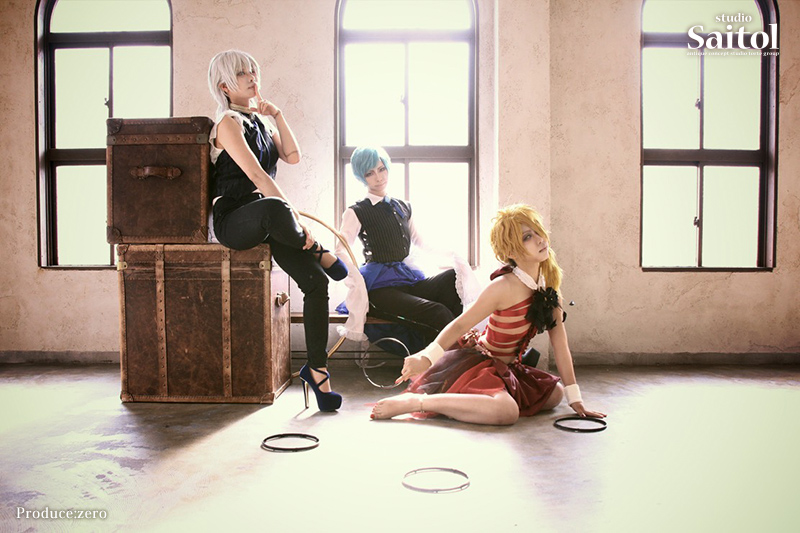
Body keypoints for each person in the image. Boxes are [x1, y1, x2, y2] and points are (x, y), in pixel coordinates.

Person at [370, 204, 606, 425]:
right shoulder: (503, 286)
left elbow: (560, 344)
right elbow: (459, 325)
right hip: (481, 364)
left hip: (510, 367)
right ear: (511, 250)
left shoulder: (548, 287)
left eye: (537, 231)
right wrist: (427, 357)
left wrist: (576, 399)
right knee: (507, 412)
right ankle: (418, 402)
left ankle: (486, 401)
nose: (540, 239)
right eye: (527, 237)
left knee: (555, 393)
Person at [207, 50, 346, 412]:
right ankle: (317, 249)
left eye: (254, 71)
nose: (252, 77)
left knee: (316, 282)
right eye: (243, 74)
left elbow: (293, 155)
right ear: (225, 86)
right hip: (234, 218)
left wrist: (277, 114)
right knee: (274, 206)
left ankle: (317, 370)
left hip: (268, 221)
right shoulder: (227, 123)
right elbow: (257, 176)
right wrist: (298, 223)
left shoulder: (260, 123)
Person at [334, 146, 472, 353]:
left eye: (381, 169)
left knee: (454, 277)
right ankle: (457, 357)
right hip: (380, 288)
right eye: (370, 173)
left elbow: (420, 241)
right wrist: (356, 278)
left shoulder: (403, 206)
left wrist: (453, 255)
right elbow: (340, 249)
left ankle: (444, 352)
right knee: (437, 312)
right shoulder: (357, 211)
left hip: (406, 279)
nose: (378, 177)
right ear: (362, 178)